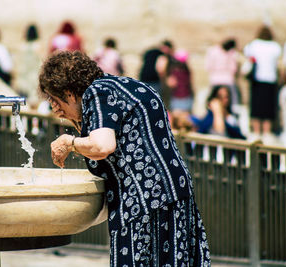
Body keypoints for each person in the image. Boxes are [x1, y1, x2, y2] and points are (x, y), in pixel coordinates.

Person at [39, 51, 210, 267]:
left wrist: (68, 142)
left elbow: (103, 145)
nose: (55, 108)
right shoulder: (125, 86)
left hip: (143, 200)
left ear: (69, 92)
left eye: (54, 100)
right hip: (175, 192)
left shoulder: (97, 93)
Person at [243, 25, 281, 142]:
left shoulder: (254, 45)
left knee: (256, 106)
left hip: (257, 79)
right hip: (270, 79)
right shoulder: (275, 46)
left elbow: (247, 53)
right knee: (268, 107)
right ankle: (266, 132)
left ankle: (256, 131)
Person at [205, 38, 240, 107]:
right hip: (228, 79)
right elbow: (233, 68)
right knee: (233, 99)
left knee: (212, 98)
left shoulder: (213, 51)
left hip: (215, 79)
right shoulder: (232, 53)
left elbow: (208, 66)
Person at [14, 24, 43, 109]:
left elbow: (17, 62)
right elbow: (41, 61)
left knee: (25, 102)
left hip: (23, 76)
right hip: (34, 75)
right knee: (35, 101)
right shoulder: (38, 45)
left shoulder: (21, 46)